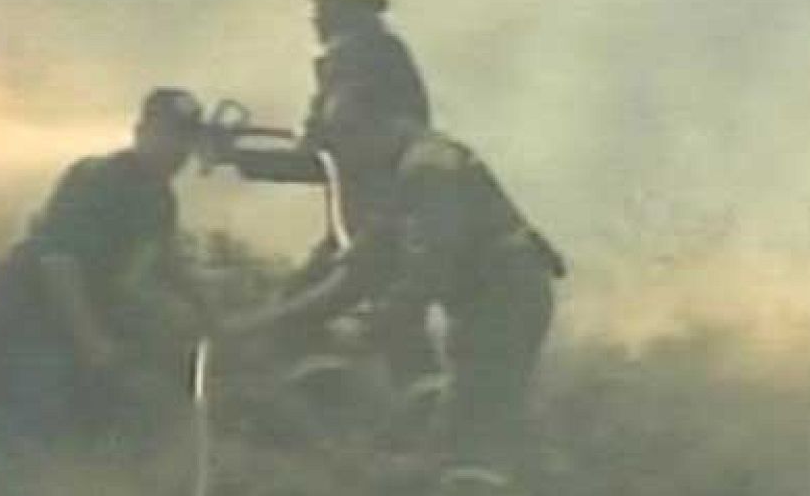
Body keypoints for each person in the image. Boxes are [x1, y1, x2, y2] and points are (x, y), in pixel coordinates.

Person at [224, 106, 565, 461]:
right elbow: (359, 273)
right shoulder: (400, 173)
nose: (348, 170)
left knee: (470, 439)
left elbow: (430, 267)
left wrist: (372, 326)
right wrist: (269, 320)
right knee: (463, 430)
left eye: (344, 151)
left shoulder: (428, 170)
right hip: (488, 301)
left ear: (367, 133)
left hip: (506, 300)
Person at [0, 88, 209, 460]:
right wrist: (92, 342)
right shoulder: (97, 179)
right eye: (169, 135)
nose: (178, 150)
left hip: (68, 329)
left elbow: (165, 262)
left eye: (186, 139)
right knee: (22, 437)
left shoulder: (159, 199)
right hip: (24, 321)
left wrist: (209, 316)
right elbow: (59, 266)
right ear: (142, 132)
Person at [228, 0, 434, 287]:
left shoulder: (362, 63)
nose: (315, 17)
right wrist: (242, 157)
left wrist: (237, 156)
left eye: (321, 4)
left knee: (300, 316)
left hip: (379, 232)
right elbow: (326, 158)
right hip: (367, 228)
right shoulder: (372, 62)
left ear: (347, 7)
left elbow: (327, 155)